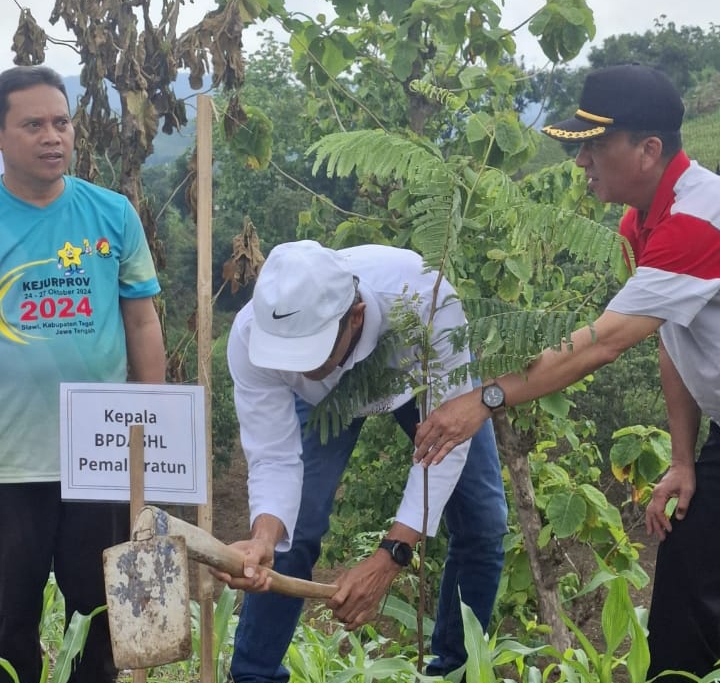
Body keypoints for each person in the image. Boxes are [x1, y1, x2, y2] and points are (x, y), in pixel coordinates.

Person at [414, 63, 720, 680]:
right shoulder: (640, 223)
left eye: (595, 146)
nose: (582, 162)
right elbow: (671, 338)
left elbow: (599, 345)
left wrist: (487, 398)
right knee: (685, 596)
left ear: (648, 149)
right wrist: (683, 461)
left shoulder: (696, 222)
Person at [215, 239, 508, 682]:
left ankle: (455, 673)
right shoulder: (250, 333)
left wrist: (391, 554)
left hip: (415, 379)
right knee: (291, 538)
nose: (294, 369)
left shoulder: (426, 303)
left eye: (307, 355)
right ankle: (254, 676)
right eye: (283, 357)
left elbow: (449, 441)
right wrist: (263, 536)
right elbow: (273, 456)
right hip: (323, 406)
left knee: (484, 523)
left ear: (355, 318)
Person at [0, 66, 166, 683]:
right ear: (1, 136)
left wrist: (153, 427)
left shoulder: (112, 214)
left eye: (62, 122)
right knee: (5, 624)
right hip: (8, 464)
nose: (53, 136)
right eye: (33, 124)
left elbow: (142, 323)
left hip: (98, 460)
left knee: (97, 619)